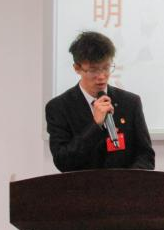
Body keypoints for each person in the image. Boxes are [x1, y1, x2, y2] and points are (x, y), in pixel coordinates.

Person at [46, 31, 155, 172]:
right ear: (77, 68)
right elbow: (63, 162)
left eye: (106, 68)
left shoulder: (130, 102)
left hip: (124, 184)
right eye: (93, 70)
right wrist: (95, 126)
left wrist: (128, 180)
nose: (101, 76)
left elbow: (146, 155)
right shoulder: (59, 107)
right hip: (82, 185)